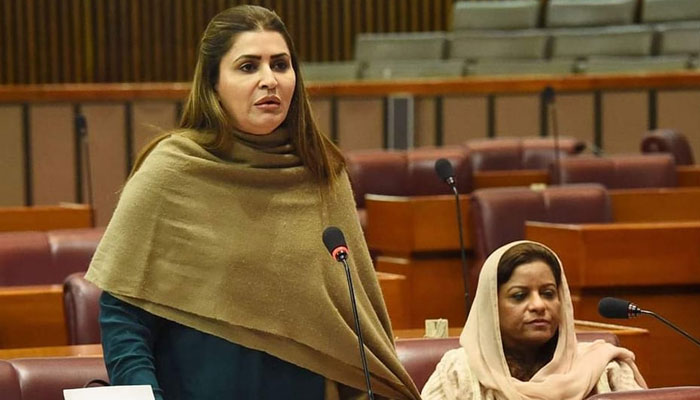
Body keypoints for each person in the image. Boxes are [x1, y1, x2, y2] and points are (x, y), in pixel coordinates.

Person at [85, 5, 420, 400]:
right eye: (248, 67)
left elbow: (354, 322)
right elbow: (124, 314)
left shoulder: (322, 173)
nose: (269, 80)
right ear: (213, 84)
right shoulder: (171, 171)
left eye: (280, 65)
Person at [421, 241, 647, 400]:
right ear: (491, 307)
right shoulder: (459, 372)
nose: (539, 305)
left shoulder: (604, 368)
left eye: (548, 293)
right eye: (519, 296)